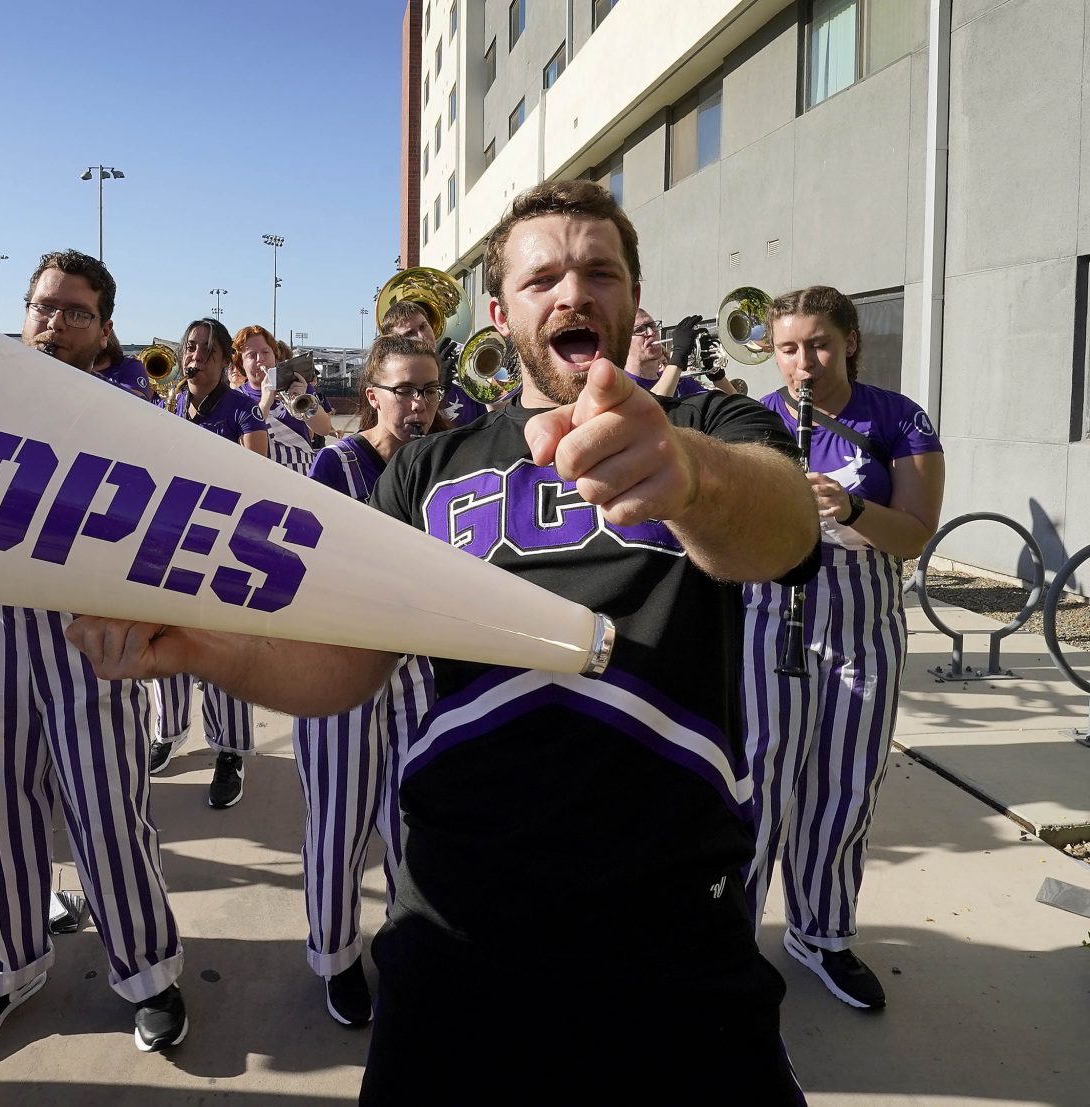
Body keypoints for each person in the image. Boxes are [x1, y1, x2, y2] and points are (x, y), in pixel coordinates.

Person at [65, 179, 818, 1102]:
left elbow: (786, 530)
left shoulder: (708, 425)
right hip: (456, 922)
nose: (573, 294)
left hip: (676, 923)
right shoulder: (426, 467)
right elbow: (346, 661)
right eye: (544, 278)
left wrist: (690, 473)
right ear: (502, 313)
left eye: (599, 272)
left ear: (632, 298)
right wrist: (187, 645)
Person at [0, 249, 187, 1056]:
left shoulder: (131, 403)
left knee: (109, 807)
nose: (54, 321)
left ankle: (149, 970)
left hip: (91, 623)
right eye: (43, 306)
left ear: (105, 328)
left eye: (75, 312)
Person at [741, 285, 945, 1012]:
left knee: (844, 787)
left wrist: (850, 506)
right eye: (789, 347)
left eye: (819, 344)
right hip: (768, 621)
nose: (804, 361)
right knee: (755, 785)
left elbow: (916, 534)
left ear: (850, 341)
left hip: (865, 627)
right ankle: (729, 937)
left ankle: (820, 933)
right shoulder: (753, 418)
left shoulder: (898, 416)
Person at [291, 334, 443, 1027]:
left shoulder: (446, 458)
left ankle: (408, 947)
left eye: (429, 390)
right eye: (404, 390)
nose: (418, 404)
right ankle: (336, 957)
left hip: (417, 672)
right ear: (371, 395)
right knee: (338, 826)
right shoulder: (336, 461)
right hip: (342, 671)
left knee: (414, 825)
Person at [147, 319, 268, 807]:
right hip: (172, 539)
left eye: (205, 350)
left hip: (223, 545)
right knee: (166, 640)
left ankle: (229, 751)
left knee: (220, 651)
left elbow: (258, 479)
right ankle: (170, 731)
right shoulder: (171, 402)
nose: (194, 356)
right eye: (189, 347)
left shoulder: (245, 412)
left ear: (223, 360)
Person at [233, 324, 326, 473]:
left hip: (303, 474)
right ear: (241, 363)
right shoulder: (236, 398)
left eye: (265, 352)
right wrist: (264, 403)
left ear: (275, 357)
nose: (260, 360)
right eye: (251, 355)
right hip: (264, 477)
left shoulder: (297, 384)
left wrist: (304, 397)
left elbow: (324, 429)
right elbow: (242, 448)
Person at [379, 299, 489, 427]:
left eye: (423, 326)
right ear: (395, 344)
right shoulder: (394, 387)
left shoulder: (461, 367)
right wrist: (439, 387)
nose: (421, 336)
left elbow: (490, 420)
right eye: (409, 334)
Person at [629, 309, 737, 399]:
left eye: (652, 326)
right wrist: (679, 355)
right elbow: (652, 409)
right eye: (640, 329)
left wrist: (716, 375)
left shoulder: (679, 381)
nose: (651, 333)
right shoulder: (622, 384)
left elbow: (734, 406)